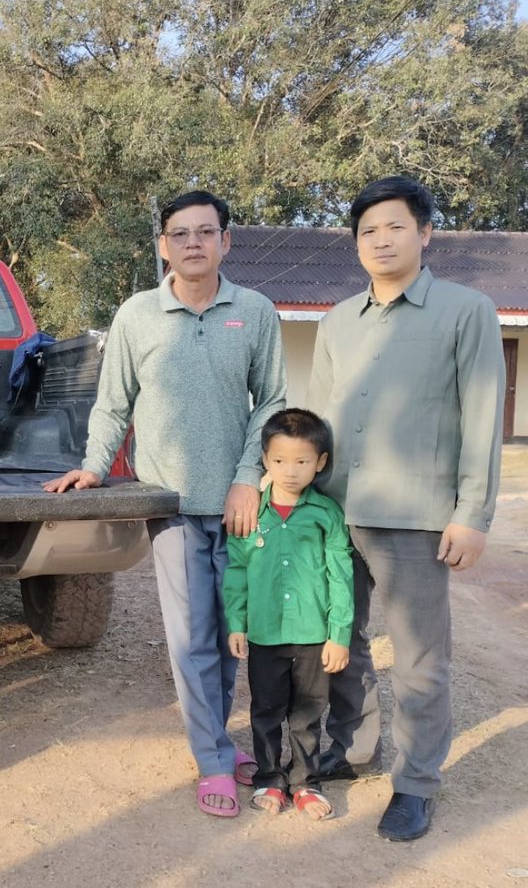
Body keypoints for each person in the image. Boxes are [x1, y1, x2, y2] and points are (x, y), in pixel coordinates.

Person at [45, 191, 287, 818]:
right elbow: (113, 402)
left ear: (226, 241)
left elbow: (271, 402)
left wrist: (247, 478)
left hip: (239, 505)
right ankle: (213, 757)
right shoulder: (138, 315)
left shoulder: (255, 312)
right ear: (163, 246)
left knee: (231, 632)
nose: (193, 243)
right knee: (190, 637)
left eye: (206, 232)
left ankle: (216, 739)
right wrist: (94, 465)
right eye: (180, 234)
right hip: (171, 502)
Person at [307, 176, 504, 842]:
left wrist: (472, 513)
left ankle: (416, 783)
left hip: (415, 516)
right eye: (368, 230)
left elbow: (483, 416)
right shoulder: (337, 321)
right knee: (343, 638)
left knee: (420, 657)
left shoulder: (466, 310)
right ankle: (352, 747)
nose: (381, 240)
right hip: (336, 511)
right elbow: (320, 420)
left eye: (395, 226)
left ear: (425, 233)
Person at [223, 408, 353, 819]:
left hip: (313, 636)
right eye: (279, 460)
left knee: (307, 714)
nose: (290, 471)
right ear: (265, 459)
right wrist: (237, 624)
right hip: (265, 635)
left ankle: (305, 783)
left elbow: (340, 576)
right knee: (265, 711)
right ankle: (269, 778)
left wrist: (339, 634)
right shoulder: (252, 515)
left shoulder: (326, 515)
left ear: (321, 462)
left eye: (302, 461)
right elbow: (237, 570)